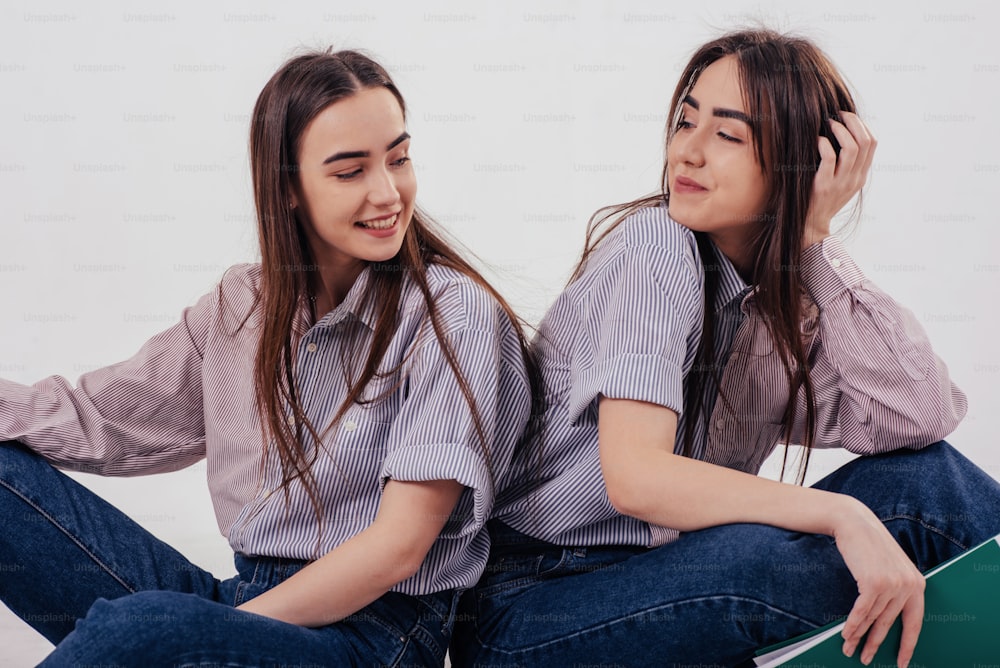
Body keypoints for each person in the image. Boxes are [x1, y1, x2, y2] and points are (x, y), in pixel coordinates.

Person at [450, 28, 1000, 668]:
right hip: (536, 603)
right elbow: (638, 477)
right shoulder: (655, 247)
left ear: (804, 162)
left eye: (728, 135)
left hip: (674, 571)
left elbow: (921, 420)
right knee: (759, 559)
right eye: (686, 122)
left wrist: (811, 240)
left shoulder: (785, 304)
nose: (688, 151)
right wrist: (842, 515)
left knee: (924, 481)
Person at [0, 49, 537, 667]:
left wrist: (199, 628)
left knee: (144, 630)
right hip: (248, 601)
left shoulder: (451, 314)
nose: (388, 192)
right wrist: (206, 625)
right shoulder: (241, 305)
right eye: (350, 171)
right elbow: (97, 420)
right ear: (286, 188)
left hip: (371, 638)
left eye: (399, 157)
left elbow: (398, 549)